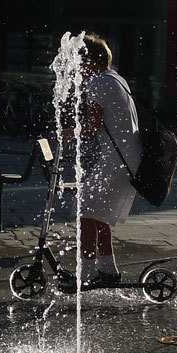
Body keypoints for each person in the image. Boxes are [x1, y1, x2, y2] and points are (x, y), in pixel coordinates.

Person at [61, 33, 141, 292]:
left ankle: (84, 274)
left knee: (84, 210)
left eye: (77, 59)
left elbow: (92, 126)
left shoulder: (98, 82)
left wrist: (67, 133)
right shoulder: (115, 78)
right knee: (98, 214)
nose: (75, 66)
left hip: (117, 160)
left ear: (88, 60)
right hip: (127, 157)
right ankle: (107, 270)